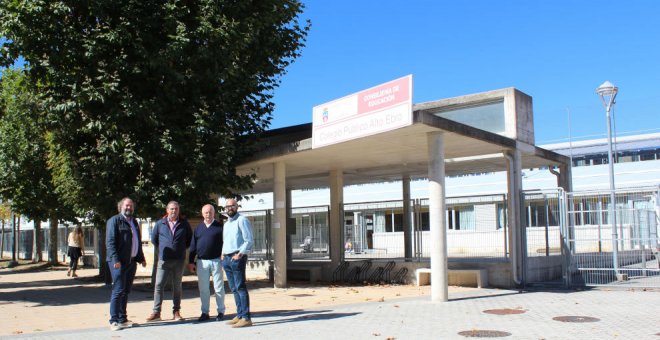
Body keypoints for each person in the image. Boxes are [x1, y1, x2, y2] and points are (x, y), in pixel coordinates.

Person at [146, 201, 192, 322]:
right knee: (159, 285)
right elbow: (154, 240)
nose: (174, 211)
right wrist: (163, 249)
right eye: (171, 209)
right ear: (167, 210)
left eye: (176, 209)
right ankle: (156, 312)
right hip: (164, 260)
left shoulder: (184, 224)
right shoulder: (160, 224)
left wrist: (179, 249)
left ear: (179, 210)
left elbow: (189, 240)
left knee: (177, 286)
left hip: (179, 260)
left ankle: (176, 311)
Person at [106, 197, 147, 331]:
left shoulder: (134, 222)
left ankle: (122, 318)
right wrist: (115, 259)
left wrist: (141, 258)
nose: (129, 208)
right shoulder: (114, 221)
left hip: (131, 261)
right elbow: (110, 242)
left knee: (126, 290)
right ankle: (113, 320)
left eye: (131, 206)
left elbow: (137, 241)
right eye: (127, 206)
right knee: (118, 290)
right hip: (118, 262)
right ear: (121, 207)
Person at [188, 204, 225, 322]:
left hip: (216, 261)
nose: (208, 214)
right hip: (201, 262)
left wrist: (224, 256)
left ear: (214, 213)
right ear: (202, 214)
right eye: (206, 212)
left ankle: (220, 311)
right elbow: (193, 246)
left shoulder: (220, 227)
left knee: (218, 288)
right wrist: (191, 261)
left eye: (210, 212)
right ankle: (205, 312)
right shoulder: (198, 228)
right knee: (203, 289)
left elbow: (225, 243)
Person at [221, 198, 254, 328]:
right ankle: (239, 314)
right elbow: (226, 241)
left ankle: (246, 317)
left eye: (232, 206)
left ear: (237, 207)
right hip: (227, 258)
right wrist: (223, 254)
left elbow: (249, 240)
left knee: (240, 287)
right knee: (233, 288)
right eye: (227, 206)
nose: (230, 208)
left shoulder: (242, 220)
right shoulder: (226, 224)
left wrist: (240, 254)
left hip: (237, 257)